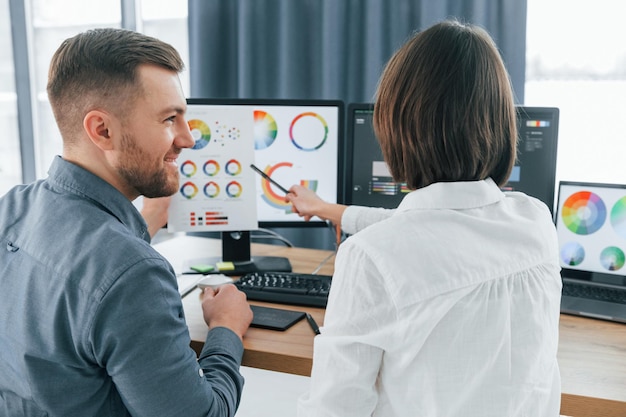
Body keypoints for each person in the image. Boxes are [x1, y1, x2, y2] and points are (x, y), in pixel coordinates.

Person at [294, 20, 562, 417]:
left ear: (396, 124)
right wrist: (334, 212)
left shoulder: (372, 257)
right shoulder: (536, 221)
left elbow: (334, 410)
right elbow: (439, 233)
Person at [0, 28, 252, 416]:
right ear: (102, 130)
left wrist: (140, 225)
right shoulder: (134, 274)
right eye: (170, 119)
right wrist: (226, 329)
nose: (187, 139)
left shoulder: (13, 208)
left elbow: (82, 273)